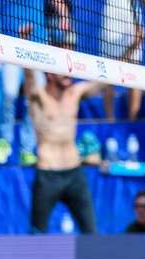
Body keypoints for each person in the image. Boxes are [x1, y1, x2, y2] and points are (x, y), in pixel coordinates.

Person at [24, 70, 101, 233]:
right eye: (62, 71)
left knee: (91, 231)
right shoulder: (38, 97)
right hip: (48, 174)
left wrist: (131, 50)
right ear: (50, 75)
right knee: (37, 232)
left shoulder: (74, 93)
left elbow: (104, 81)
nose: (69, 74)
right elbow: (29, 77)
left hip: (74, 173)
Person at [101, 0, 145, 120]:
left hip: (132, 15)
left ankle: (132, 122)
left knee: (134, 71)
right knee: (108, 70)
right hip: (113, 12)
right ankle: (109, 121)